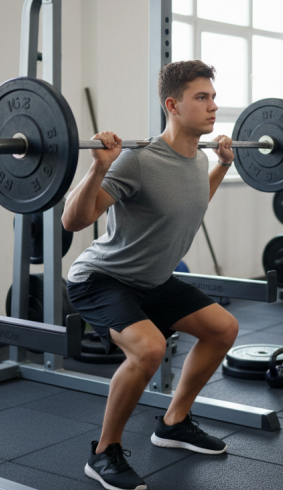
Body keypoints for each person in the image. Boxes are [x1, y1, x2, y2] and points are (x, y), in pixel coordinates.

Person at [62, 60, 239, 490]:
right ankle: (104, 452)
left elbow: (191, 202)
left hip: (152, 280)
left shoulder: (197, 159)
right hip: (101, 278)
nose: (214, 106)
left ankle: (174, 422)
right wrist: (99, 166)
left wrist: (221, 167)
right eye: (202, 98)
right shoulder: (139, 160)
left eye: (214, 97)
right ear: (173, 105)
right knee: (148, 350)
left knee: (222, 329)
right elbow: (73, 220)